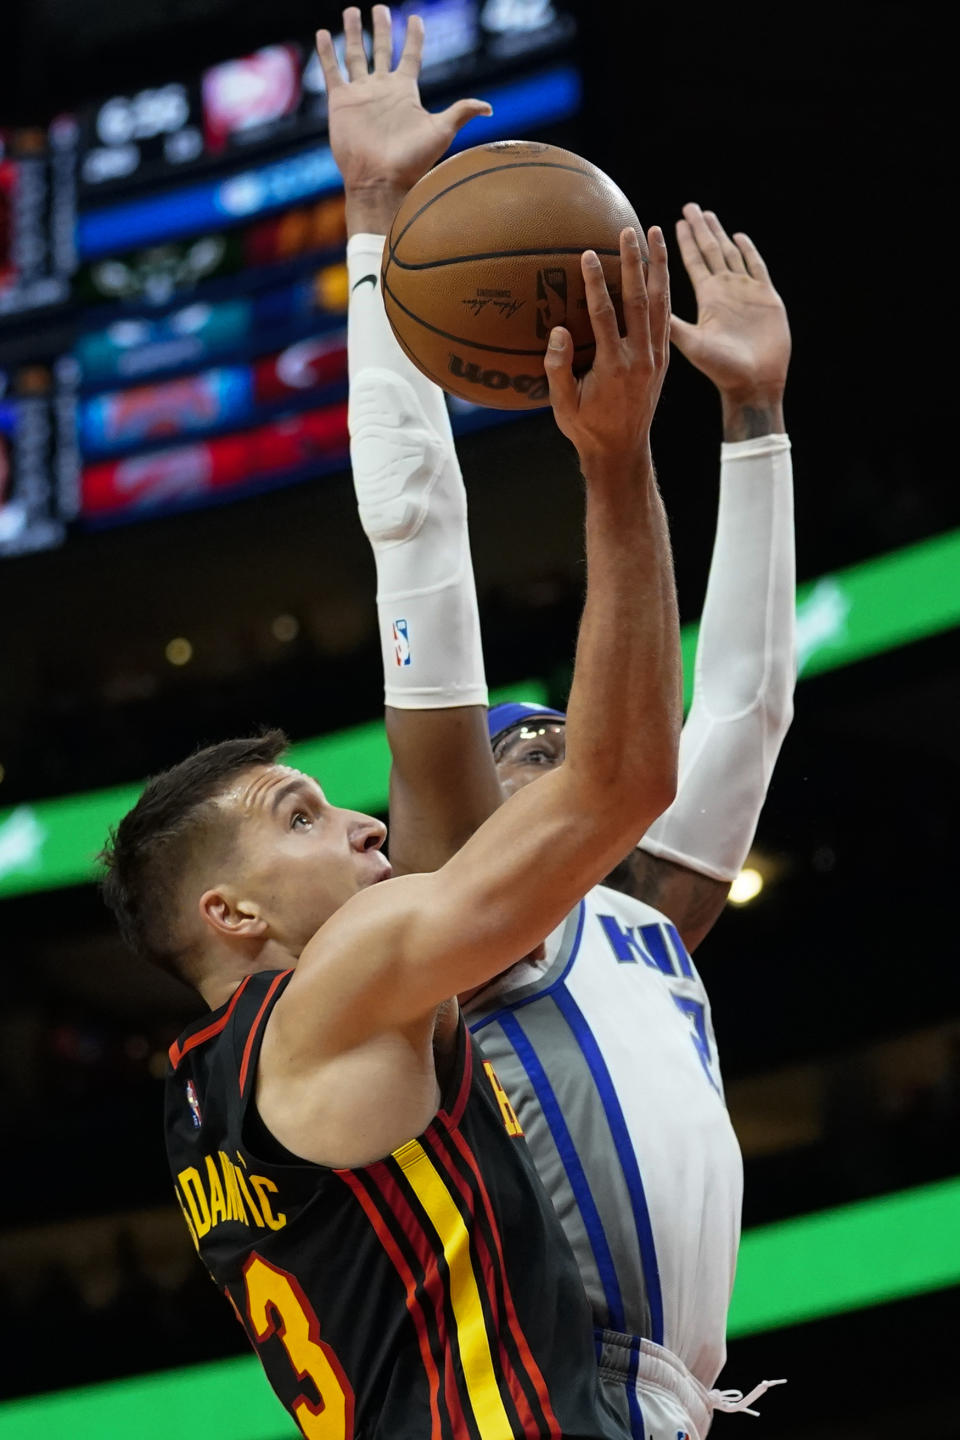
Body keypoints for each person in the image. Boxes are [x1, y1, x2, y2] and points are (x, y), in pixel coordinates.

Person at [98, 38, 681, 1440]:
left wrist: (374, 235)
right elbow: (619, 781)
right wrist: (614, 465)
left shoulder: (213, 1100)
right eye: (300, 813)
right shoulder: (345, 983)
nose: (360, 822)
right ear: (230, 912)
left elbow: (417, 571)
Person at [334, 7, 794, 1437]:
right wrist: (374, 230)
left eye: (552, 736)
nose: (535, 749)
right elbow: (417, 536)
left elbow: (750, 703)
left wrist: (758, 419)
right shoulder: (470, 905)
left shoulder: (651, 911)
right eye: (518, 742)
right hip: (551, 1404)